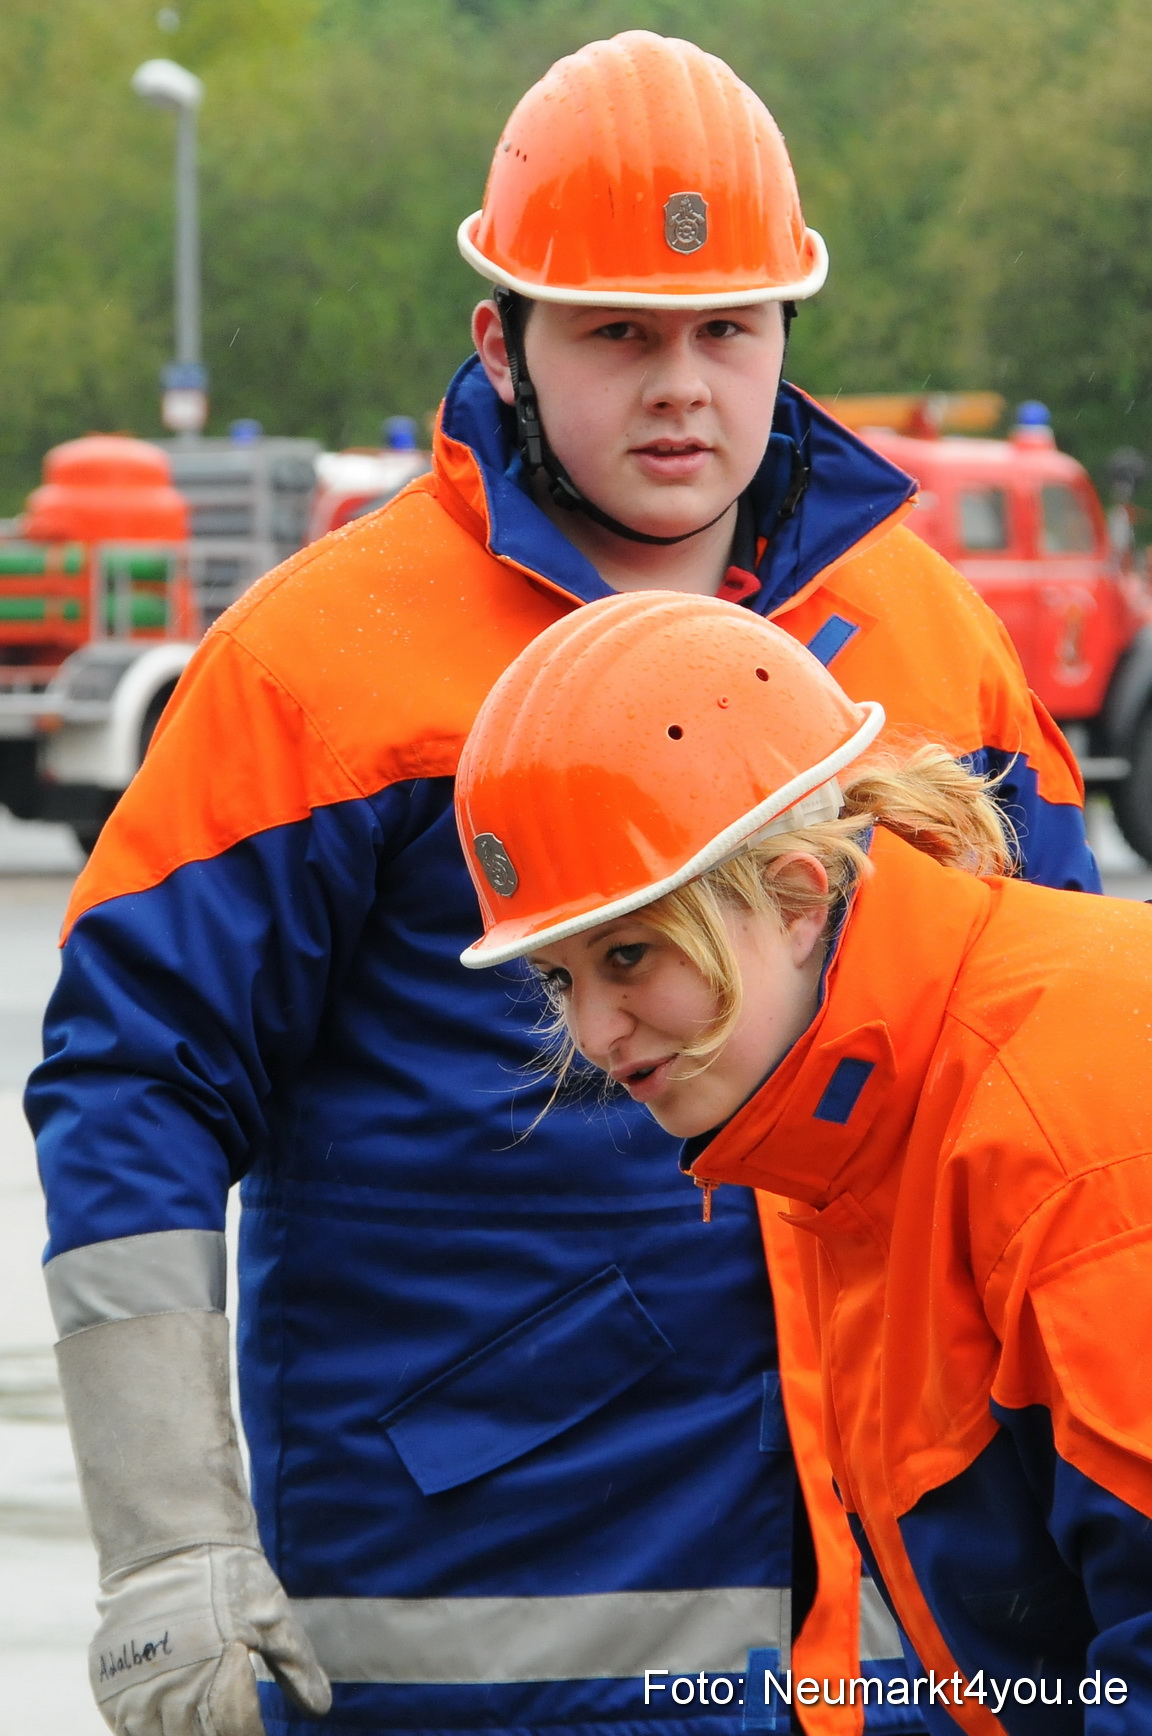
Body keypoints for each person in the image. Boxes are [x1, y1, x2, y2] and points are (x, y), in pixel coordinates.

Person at [26, 29, 1099, 1736]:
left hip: (909, 1633)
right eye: (616, 332)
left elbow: (1080, 1078)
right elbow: (133, 1081)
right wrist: (170, 1548)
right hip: (482, 1619)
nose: (681, 385)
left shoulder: (933, 644)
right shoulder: (323, 669)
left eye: (727, 330)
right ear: (501, 343)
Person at [453, 589, 1152, 1736]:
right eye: (559, 976)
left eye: (628, 954)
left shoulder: (1066, 1130)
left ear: (794, 894)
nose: (595, 1031)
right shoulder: (849, 1122)